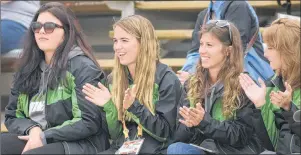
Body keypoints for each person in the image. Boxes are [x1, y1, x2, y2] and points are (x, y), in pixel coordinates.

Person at [1, 2, 109, 154]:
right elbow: (12, 116)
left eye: (49, 27)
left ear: (66, 31)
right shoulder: (26, 68)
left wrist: (44, 136)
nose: (41, 31)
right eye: (37, 27)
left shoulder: (83, 67)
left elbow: (88, 122)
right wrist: (33, 130)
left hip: (80, 144)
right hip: (39, 137)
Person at [82, 15, 182, 154]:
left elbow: (165, 133)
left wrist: (135, 107)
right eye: (115, 41)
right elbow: (116, 135)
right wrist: (109, 106)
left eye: (124, 40)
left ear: (143, 43)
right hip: (124, 149)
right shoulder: (113, 80)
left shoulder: (166, 79)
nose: (117, 47)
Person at [167, 20, 264, 154]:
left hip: (232, 151)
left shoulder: (243, 84)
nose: (202, 51)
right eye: (201, 44)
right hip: (204, 148)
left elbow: (240, 136)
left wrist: (204, 122)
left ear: (228, 50)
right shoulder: (191, 84)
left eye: (209, 45)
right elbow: (178, 136)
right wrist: (191, 125)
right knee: (176, 149)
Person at [239, 18, 300, 154]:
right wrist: (260, 105)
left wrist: (290, 109)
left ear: (289, 50)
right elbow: (272, 144)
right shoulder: (271, 85)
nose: (265, 54)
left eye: (271, 48)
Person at [178, 0, 273, 85]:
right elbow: (195, 52)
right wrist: (188, 72)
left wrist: (195, 76)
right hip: (218, 79)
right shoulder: (204, 15)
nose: (203, 49)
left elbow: (235, 50)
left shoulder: (239, 6)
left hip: (250, 78)